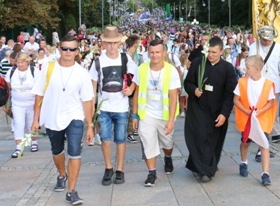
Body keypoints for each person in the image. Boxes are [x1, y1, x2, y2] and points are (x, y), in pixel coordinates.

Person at [31, 34, 94, 206]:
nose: (68, 52)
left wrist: (90, 125)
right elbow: (39, 94)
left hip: (74, 116)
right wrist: (35, 119)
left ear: (77, 51)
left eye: (72, 49)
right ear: (59, 49)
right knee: (57, 151)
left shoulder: (82, 73)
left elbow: (87, 100)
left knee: (75, 152)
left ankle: (72, 191)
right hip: (52, 116)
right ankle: (61, 174)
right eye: (64, 48)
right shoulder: (48, 68)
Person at [183, 36, 238, 182]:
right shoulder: (197, 63)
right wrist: (194, 90)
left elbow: (229, 94)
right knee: (200, 137)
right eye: (210, 52)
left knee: (213, 140)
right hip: (198, 109)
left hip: (217, 110)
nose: (211, 55)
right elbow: (187, 83)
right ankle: (205, 170)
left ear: (221, 52)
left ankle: (207, 165)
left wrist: (224, 114)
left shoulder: (228, 69)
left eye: (214, 52)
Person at [90, 26, 137, 186]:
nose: (111, 46)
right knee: (105, 139)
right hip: (104, 107)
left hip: (121, 107)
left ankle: (120, 169)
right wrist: (90, 113)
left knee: (120, 139)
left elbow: (136, 75)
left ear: (119, 43)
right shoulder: (98, 61)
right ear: (103, 43)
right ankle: (108, 167)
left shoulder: (125, 59)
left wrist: (131, 88)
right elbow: (92, 87)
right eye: (108, 43)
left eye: (114, 43)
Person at [131, 39, 180, 186]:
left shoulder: (171, 70)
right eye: (152, 52)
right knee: (148, 143)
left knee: (167, 143)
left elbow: (173, 97)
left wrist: (171, 120)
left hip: (165, 115)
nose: (155, 55)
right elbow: (136, 92)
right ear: (148, 53)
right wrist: (134, 115)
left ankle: (168, 157)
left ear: (164, 52)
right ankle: (151, 173)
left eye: (158, 52)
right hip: (147, 114)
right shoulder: (142, 68)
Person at [233, 55, 276, 186]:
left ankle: (265, 173)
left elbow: (271, 102)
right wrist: (247, 111)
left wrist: (260, 111)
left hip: (261, 119)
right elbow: (236, 100)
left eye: (247, 67)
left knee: (264, 145)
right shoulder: (242, 82)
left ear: (257, 69)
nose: (245, 69)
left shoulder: (268, 83)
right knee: (245, 142)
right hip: (248, 119)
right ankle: (243, 162)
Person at [249, 25, 280, 150]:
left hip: (273, 82)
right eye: (264, 39)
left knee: (274, 109)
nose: (267, 41)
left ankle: (275, 132)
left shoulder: (278, 47)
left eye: (269, 39)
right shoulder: (254, 47)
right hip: (258, 82)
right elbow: (250, 63)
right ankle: (257, 133)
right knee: (257, 108)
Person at [6, 53, 38, 156]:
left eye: (22, 62)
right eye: (18, 62)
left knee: (31, 123)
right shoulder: (11, 72)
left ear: (27, 62)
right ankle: (18, 147)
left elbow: (40, 88)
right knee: (18, 124)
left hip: (32, 103)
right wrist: (7, 103)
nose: (19, 65)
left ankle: (34, 142)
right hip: (17, 103)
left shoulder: (34, 71)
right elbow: (8, 88)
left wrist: (39, 104)